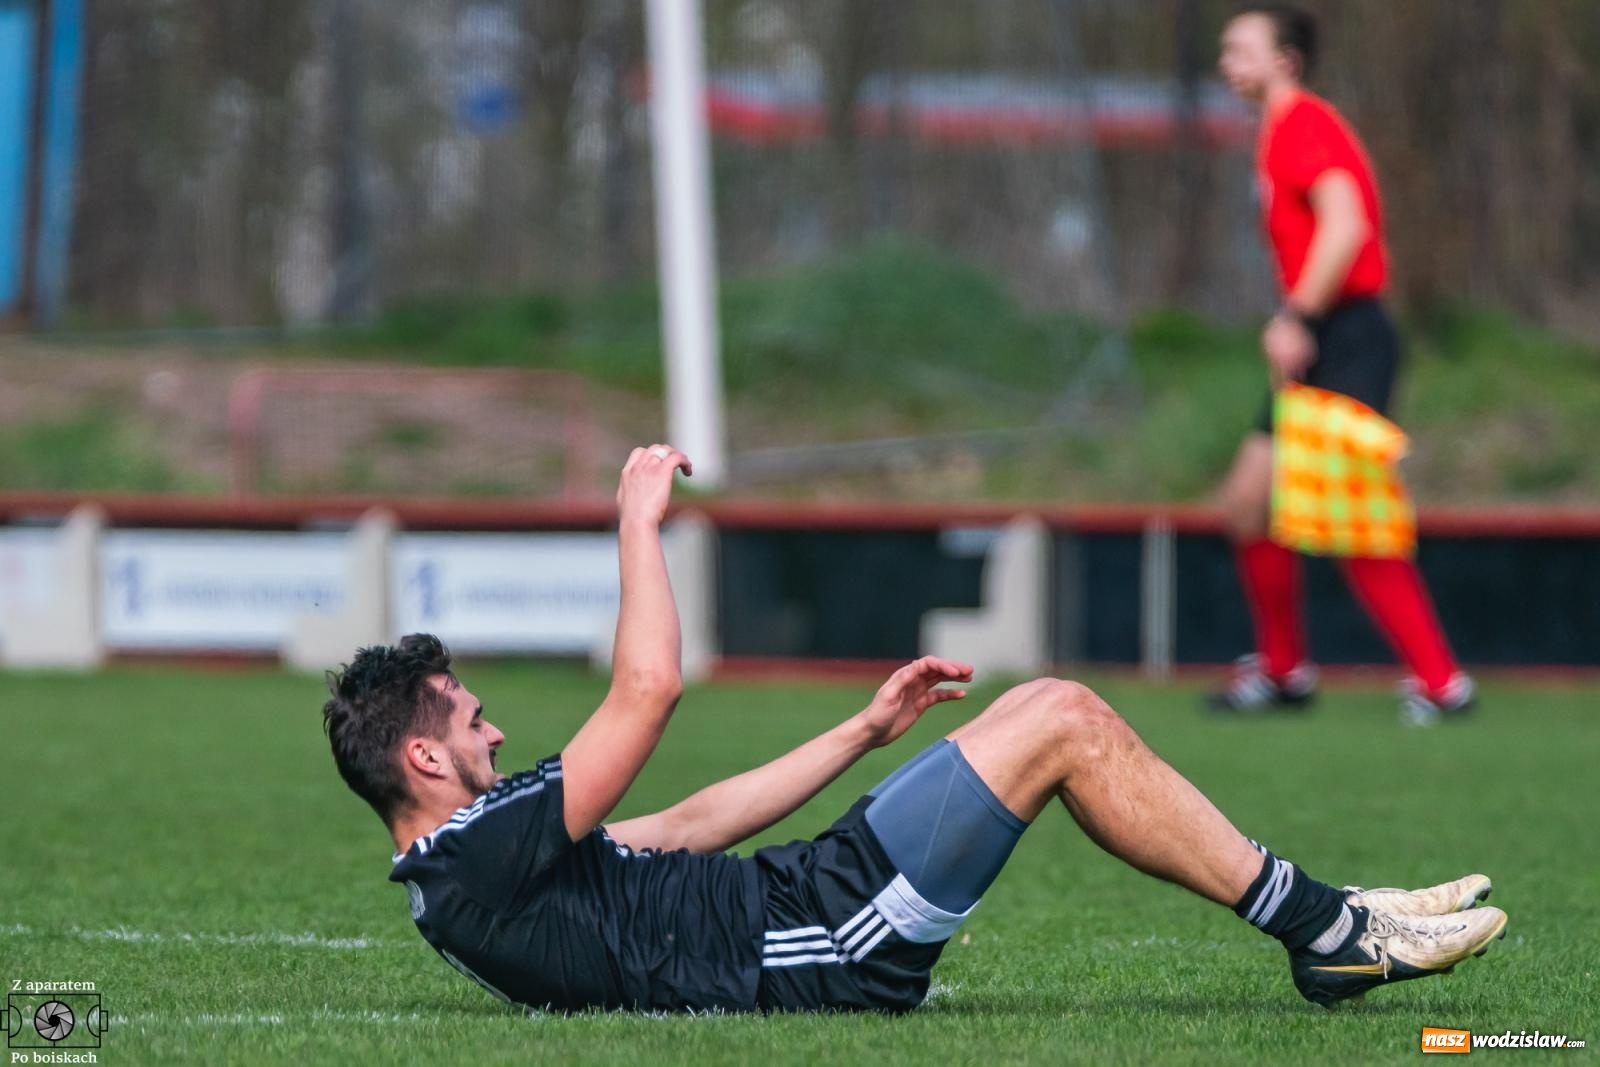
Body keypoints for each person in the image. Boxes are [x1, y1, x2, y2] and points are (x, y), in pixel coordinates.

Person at [322, 443, 1506, 1015]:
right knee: (1062, 718)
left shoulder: (480, 857)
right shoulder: (473, 857)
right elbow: (646, 692)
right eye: (472, 722)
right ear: (421, 757)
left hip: (812, 892)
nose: (494, 729)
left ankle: (1332, 913)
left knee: (1046, 709)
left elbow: (678, 824)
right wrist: (638, 521)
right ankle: (1327, 926)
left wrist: (863, 729)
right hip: (827, 942)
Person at [1210, 3, 1475, 725]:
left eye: (1241, 49)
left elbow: (1348, 222)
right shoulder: (1274, 131)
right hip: (1323, 335)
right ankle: (1285, 672)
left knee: (1356, 519)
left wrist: (1299, 314)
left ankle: (1442, 684)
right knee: (1247, 502)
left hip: (1347, 335)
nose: (1226, 61)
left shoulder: (1304, 124)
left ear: (1286, 61)